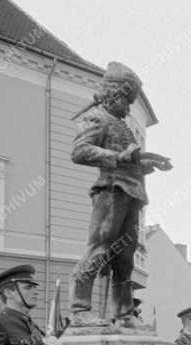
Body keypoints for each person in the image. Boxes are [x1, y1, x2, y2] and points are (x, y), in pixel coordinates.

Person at [68, 62, 171, 327]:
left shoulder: (119, 123)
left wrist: (148, 165)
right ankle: (80, 310)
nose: (127, 109)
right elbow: (79, 151)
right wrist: (118, 156)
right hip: (111, 192)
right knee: (100, 248)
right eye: (126, 101)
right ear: (114, 95)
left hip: (131, 194)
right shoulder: (96, 118)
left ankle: (124, 314)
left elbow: (128, 162)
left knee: (124, 256)